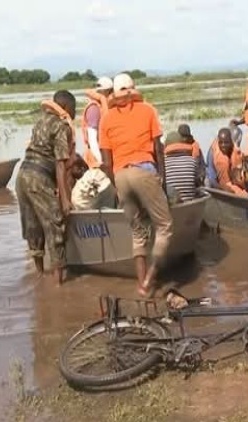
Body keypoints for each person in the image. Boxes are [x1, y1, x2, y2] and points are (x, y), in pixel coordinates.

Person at [98, 72, 171, 297]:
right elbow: (158, 149)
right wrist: (163, 181)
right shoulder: (147, 110)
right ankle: (151, 276)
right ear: (134, 89)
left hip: (120, 175)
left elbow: (106, 162)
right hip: (144, 170)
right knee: (165, 226)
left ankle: (142, 286)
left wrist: (117, 186)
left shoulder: (106, 118)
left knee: (138, 232)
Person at [14, 90, 77, 286]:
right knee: (54, 225)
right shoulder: (61, 126)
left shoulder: (40, 120)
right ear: (66, 107)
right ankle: (59, 284)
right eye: (74, 109)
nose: (74, 114)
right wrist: (65, 199)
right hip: (39, 178)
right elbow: (59, 164)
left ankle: (40, 276)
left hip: (22, 175)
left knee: (33, 227)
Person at [162, 124, 205, 203]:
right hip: (190, 204)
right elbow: (198, 183)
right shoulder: (192, 161)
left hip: (173, 206)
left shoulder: (163, 164)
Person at [80, 77, 113, 168]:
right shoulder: (94, 108)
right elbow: (92, 139)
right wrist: (101, 162)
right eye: (111, 92)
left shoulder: (103, 106)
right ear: (106, 91)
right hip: (95, 157)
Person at [206, 128, 245, 195]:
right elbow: (212, 179)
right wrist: (223, 188)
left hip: (231, 182)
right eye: (221, 143)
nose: (223, 145)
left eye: (226, 142)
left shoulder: (235, 150)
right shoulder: (212, 153)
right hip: (217, 185)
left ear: (231, 141)